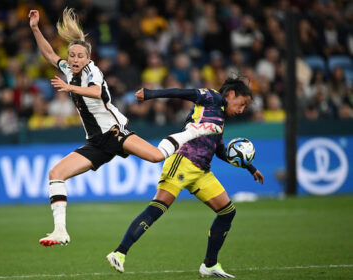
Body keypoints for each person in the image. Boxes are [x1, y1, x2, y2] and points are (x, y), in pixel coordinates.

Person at [28, 9, 223, 247]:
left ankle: (195, 130)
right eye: (71, 55)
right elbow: (49, 54)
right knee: (55, 174)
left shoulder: (93, 71)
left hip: (114, 132)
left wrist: (70, 89)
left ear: (88, 58)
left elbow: (96, 92)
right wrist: (36, 28)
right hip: (96, 142)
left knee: (155, 156)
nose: (75, 59)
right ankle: (60, 231)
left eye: (80, 55)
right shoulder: (69, 70)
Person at [106, 77, 264, 278]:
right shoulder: (211, 97)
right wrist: (150, 94)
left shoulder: (220, 117)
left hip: (201, 172)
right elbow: (183, 93)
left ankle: (209, 265)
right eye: (242, 104)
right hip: (182, 161)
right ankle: (119, 253)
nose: (242, 110)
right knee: (157, 207)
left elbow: (219, 150)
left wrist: (250, 167)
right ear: (231, 94)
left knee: (227, 212)